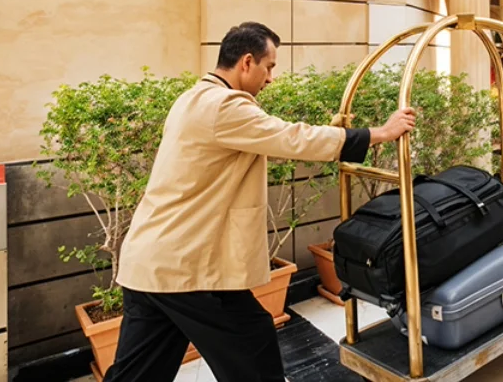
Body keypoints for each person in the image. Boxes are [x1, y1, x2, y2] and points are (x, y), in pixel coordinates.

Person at [105, 22, 416, 382]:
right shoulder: (225, 106)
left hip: (149, 262)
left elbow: (269, 139)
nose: (271, 78)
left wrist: (336, 132)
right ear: (247, 62)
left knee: (136, 373)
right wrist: (380, 133)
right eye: (269, 67)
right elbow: (290, 138)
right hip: (185, 266)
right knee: (252, 343)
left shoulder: (194, 98)